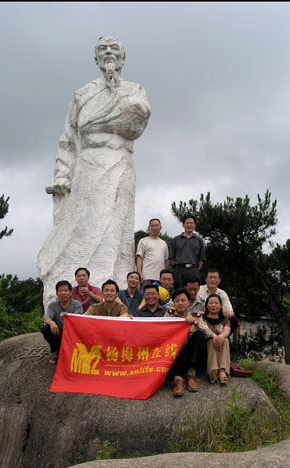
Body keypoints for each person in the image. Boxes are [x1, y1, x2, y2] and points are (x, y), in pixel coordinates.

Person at [37, 36, 151, 308]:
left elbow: (136, 121)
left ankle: (112, 293)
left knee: (114, 232)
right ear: (96, 59)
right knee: (80, 229)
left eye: (114, 50)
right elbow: (69, 138)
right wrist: (62, 174)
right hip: (87, 168)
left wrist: (112, 114)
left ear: (123, 58)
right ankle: (70, 292)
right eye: (103, 50)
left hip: (119, 166)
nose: (108, 53)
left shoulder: (135, 90)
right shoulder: (83, 94)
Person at [165, 288, 211, 396]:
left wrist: (196, 323)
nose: (180, 303)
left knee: (199, 335)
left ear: (189, 302)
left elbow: (208, 334)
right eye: (177, 301)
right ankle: (178, 379)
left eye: (183, 300)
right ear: (173, 303)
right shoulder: (169, 315)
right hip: (175, 355)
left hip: (191, 356)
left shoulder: (196, 316)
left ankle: (191, 374)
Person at [41, 280, 83, 364]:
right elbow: (46, 318)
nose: (63, 293)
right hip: (59, 333)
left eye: (66, 290)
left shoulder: (77, 305)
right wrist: (52, 323)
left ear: (70, 292)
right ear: (57, 293)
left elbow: (78, 319)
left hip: (72, 333)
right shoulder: (52, 305)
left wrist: (70, 317)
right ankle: (58, 350)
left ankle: (68, 352)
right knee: (45, 329)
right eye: (60, 291)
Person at [169, 215, 206, 288]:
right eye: (187, 223)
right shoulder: (176, 240)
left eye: (191, 223)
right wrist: (177, 268)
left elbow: (201, 259)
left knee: (193, 292)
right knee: (178, 292)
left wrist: (196, 269)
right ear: (183, 225)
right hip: (179, 270)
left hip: (194, 269)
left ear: (194, 225)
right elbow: (172, 258)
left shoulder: (199, 241)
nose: (189, 225)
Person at [198, 268, 238, 335]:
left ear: (219, 280)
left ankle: (225, 338)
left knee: (233, 320)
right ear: (206, 280)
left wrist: (226, 313)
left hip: (217, 319)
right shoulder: (199, 290)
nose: (213, 280)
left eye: (215, 278)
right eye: (210, 277)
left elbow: (231, 312)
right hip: (203, 318)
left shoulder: (222, 293)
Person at [203, 294, 231, 384]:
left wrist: (221, 336)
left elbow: (227, 330)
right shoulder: (203, 318)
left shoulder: (224, 320)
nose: (214, 305)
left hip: (221, 341)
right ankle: (213, 371)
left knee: (225, 340)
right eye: (211, 303)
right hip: (207, 342)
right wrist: (215, 336)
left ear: (221, 306)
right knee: (211, 341)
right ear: (207, 305)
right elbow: (204, 329)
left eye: (216, 303)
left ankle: (223, 370)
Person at [136, 219, 169, 285]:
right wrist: (139, 273)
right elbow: (139, 258)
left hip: (160, 278)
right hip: (146, 277)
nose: (154, 228)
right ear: (149, 228)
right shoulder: (143, 241)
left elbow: (166, 261)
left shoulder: (164, 244)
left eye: (156, 226)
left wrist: (165, 276)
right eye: (152, 226)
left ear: (160, 228)